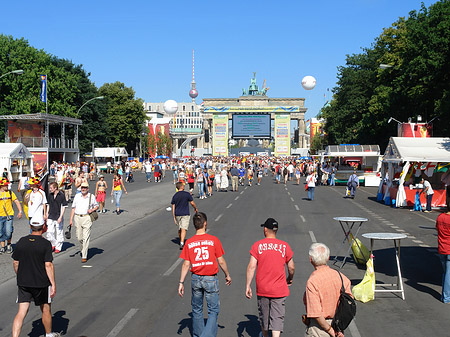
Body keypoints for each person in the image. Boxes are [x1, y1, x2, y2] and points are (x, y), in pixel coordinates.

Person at [178, 212, 232, 337]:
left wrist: (181, 282)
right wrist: (227, 274)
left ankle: (198, 334)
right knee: (213, 311)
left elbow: (186, 264)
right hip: (210, 279)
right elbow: (221, 261)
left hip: (195, 278)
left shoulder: (189, 242)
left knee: (197, 310)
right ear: (205, 224)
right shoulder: (213, 240)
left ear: (194, 225)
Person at [246, 218, 295, 337]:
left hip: (263, 288)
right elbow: (291, 267)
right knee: (277, 318)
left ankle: (264, 335)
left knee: (264, 316)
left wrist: (248, 285)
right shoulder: (284, 246)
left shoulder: (258, 245)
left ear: (265, 229)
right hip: (279, 289)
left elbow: (252, 266)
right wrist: (290, 277)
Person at [11, 220, 61, 337]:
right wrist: (53, 284)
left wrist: (20, 274)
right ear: (43, 227)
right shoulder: (45, 244)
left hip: (24, 282)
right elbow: (48, 265)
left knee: (22, 311)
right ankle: (48, 334)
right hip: (41, 283)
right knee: (45, 309)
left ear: (30, 226)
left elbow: (16, 262)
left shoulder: (21, 241)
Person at [303, 243, 351, 337]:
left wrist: (330, 330)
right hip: (338, 324)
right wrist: (340, 327)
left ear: (311, 260)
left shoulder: (313, 282)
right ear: (328, 258)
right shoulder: (341, 277)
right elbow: (349, 304)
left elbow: (316, 313)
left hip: (319, 328)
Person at [69, 182, 99, 263]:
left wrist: (92, 209)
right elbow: (73, 208)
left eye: (85, 187)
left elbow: (96, 206)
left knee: (86, 237)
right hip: (77, 217)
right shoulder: (77, 196)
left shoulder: (91, 196)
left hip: (87, 218)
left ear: (88, 189)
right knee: (79, 237)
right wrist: (71, 219)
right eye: (82, 187)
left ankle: (84, 255)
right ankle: (83, 249)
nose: (83, 189)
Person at [171, 181, 198, 249]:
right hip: (185, 213)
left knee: (180, 228)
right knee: (184, 228)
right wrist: (195, 208)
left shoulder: (175, 195)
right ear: (182, 187)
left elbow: (173, 206)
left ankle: (181, 240)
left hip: (177, 213)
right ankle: (182, 242)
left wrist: (174, 216)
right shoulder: (187, 194)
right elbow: (192, 203)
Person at [0, 178, 23, 254]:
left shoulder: (10, 192)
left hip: (8, 216)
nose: (7, 186)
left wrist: (20, 211)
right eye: (5, 185)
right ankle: (3, 247)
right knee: (0, 232)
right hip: (0, 216)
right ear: (1, 185)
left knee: (8, 231)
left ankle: (9, 245)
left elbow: (16, 201)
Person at [46, 182, 67, 254]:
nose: (50, 189)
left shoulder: (61, 195)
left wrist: (60, 217)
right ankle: (53, 243)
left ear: (55, 188)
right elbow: (48, 205)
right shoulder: (50, 195)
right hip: (51, 215)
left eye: (51, 188)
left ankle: (58, 247)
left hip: (58, 216)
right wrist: (46, 214)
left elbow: (63, 207)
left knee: (59, 232)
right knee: (49, 232)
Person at [436, 200, 450, 303]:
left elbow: (437, 228)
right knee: (448, 274)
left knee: (446, 272)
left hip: (442, 247)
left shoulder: (440, 217)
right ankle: (446, 297)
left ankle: (444, 296)